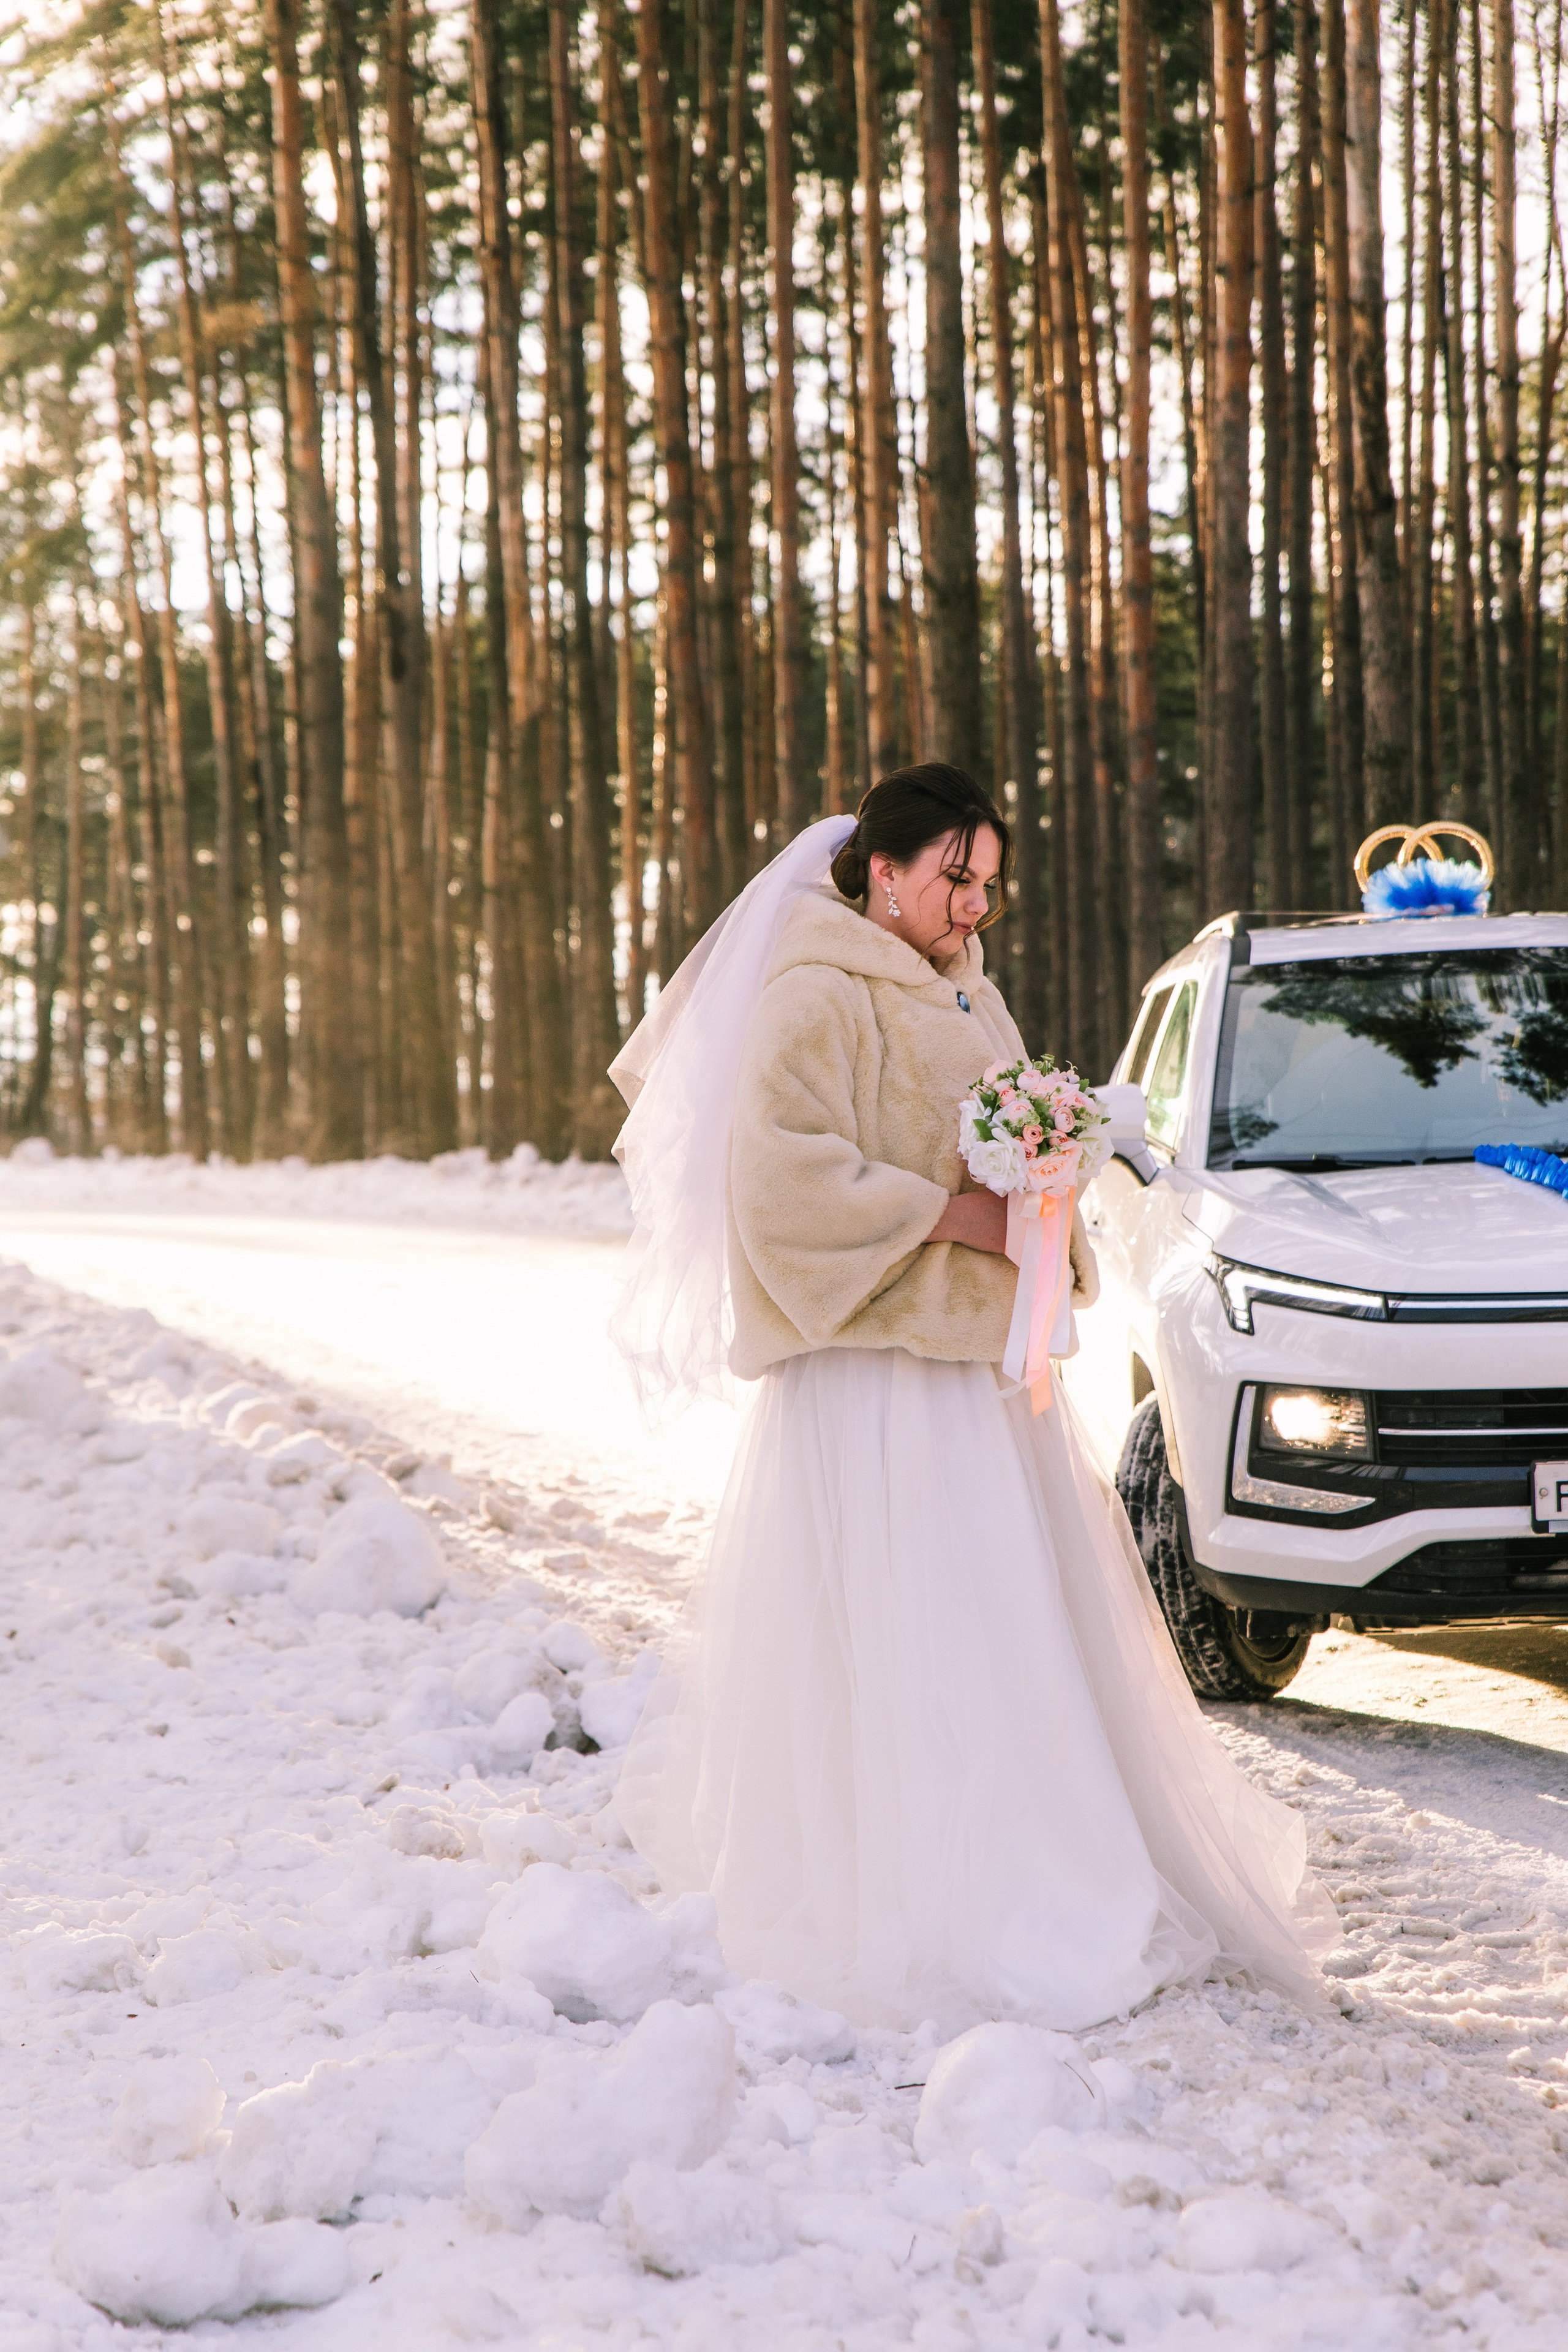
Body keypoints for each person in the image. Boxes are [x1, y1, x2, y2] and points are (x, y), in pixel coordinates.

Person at [609, 764, 1336, 2035]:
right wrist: (960, 1218)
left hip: (973, 1371)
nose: (973, 905)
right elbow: (779, 1186)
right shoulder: (814, 989)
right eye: (954, 877)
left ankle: (1032, 1873)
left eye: (988, 883)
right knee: (910, 1637)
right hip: (874, 1378)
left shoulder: (968, 992)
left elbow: (1010, 1156)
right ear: (881, 870)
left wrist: (1049, 1191)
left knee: (1003, 1630)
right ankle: (918, 1898)